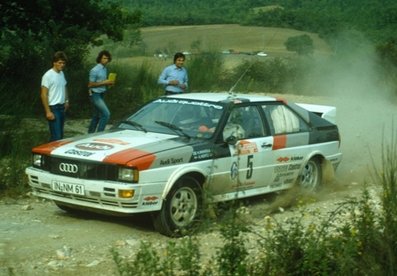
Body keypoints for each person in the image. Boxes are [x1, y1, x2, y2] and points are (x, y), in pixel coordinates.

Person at [40, 51, 69, 142]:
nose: (62, 65)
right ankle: (49, 155)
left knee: (59, 135)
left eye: (63, 63)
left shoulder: (61, 74)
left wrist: (67, 100)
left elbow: (64, 86)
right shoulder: (48, 75)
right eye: (60, 62)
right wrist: (48, 111)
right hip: (53, 108)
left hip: (62, 107)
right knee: (57, 137)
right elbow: (43, 94)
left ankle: (50, 155)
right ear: (54, 62)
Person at [87, 50, 115, 133]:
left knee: (96, 116)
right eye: (104, 58)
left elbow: (101, 82)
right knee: (106, 114)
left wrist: (108, 83)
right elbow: (90, 85)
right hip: (95, 94)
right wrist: (104, 82)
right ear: (99, 59)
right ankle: (100, 133)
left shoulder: (104, 69)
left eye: (107, 58)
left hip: (102, 93)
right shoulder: (94, 70)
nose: (106, 60)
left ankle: (90, 134)